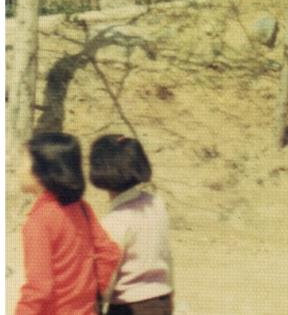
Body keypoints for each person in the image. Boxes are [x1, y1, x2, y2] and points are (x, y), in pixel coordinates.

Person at [17, 132, 122, 315]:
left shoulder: (39, 222)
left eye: (22, 163)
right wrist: (91, 294)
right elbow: (109, 253)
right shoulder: (81, 208)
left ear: (43, 171)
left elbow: (39, 288)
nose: (17, 169)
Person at [89, 135, 174, 315]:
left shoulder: (115, 222)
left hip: (130, 307)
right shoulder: (156, 202)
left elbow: (107, 278)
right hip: (163, 299)